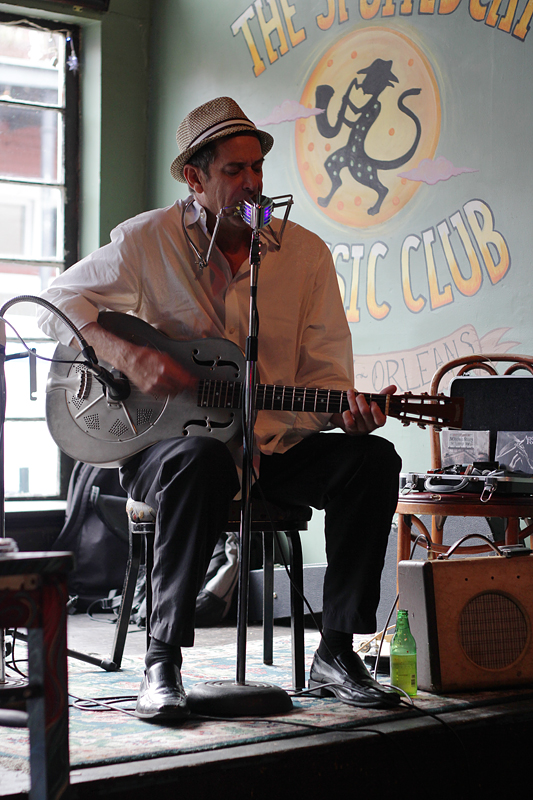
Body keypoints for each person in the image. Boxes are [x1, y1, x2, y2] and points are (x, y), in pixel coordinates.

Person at [39, 97, 402, 720]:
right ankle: (162, 662)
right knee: (202, 458)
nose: (253, 183)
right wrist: (127, 355)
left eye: (258, 167)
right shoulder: (147, 241)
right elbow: (56, 302)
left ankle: (337, 651)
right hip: (169, 451)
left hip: (272, 448)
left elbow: (325, 377)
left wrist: (346, 414)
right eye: (235, 170)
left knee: (372, 460)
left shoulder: (304, 255)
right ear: (195, 177)